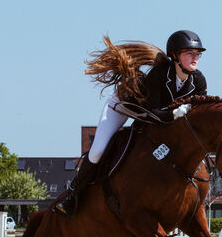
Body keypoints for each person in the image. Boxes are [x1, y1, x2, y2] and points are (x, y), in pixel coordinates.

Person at [53, 30, 208, 217]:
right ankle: (72, 195)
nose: (195, 57)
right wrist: (175, 115)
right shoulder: (159, 75)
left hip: (155, 118)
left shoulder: (198, 80)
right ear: (175, 56)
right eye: (189, 53)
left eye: (197, 54)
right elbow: (151, 113)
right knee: (97, 151)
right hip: (124, 107)